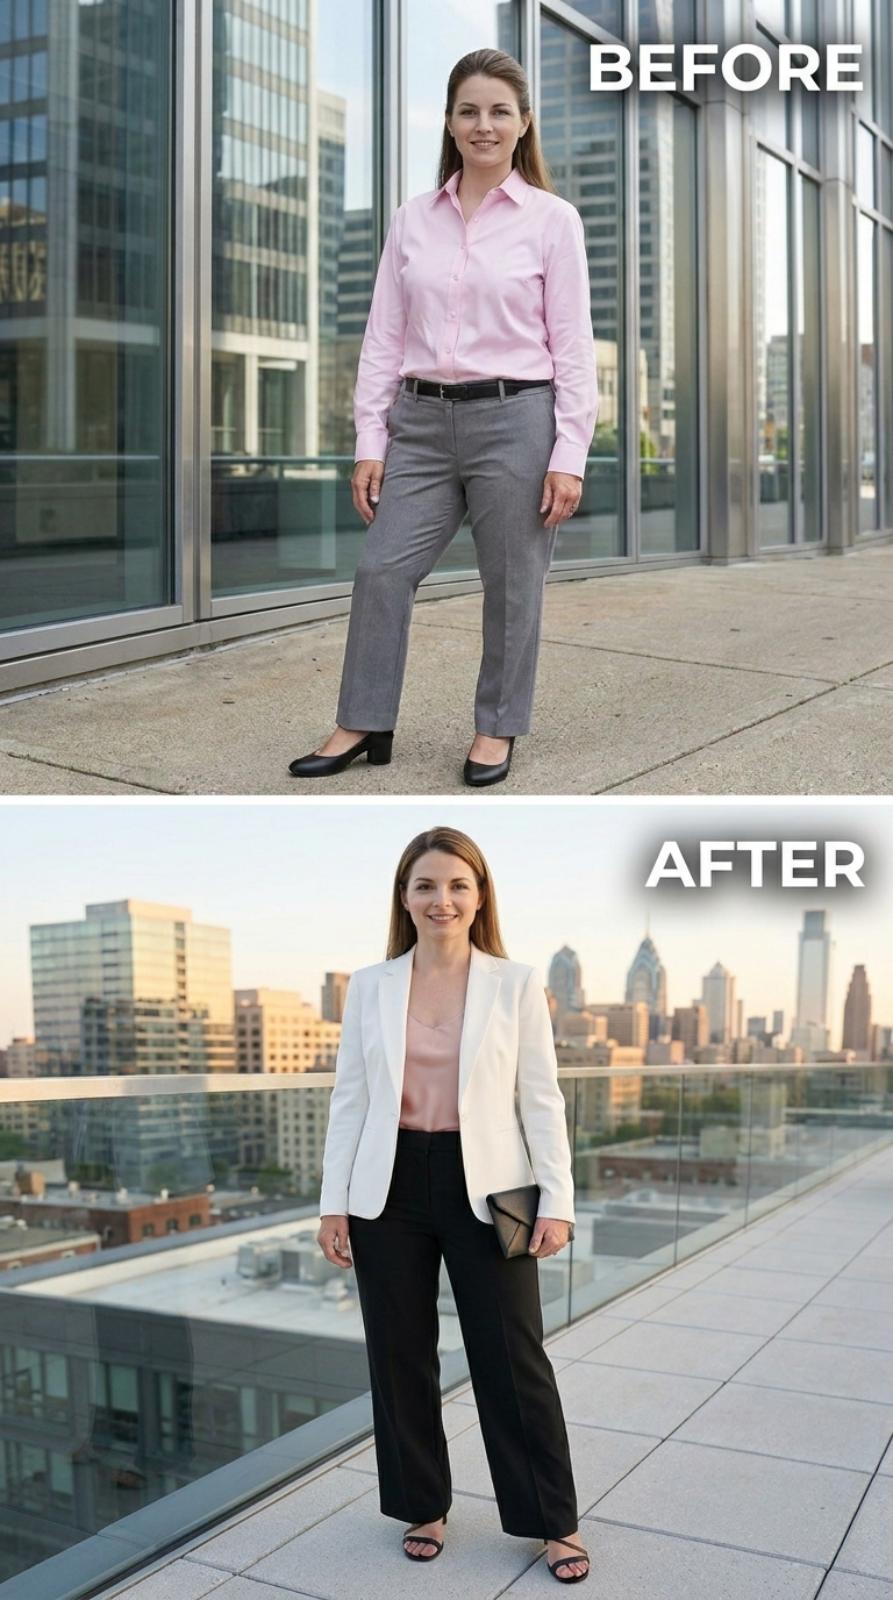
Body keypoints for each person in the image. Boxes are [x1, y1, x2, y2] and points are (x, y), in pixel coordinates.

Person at [289, 47, 598, 789]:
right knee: (380, 571)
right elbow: (382, 340)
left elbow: (573, 347)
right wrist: (371, 440)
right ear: (450, 124)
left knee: (512, 584)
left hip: (515, 417)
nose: (482, 124)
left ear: (522, 124)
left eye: (498, 111)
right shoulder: (411, 220)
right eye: (468, 111)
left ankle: (496, 728)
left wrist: (569, 452)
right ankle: (362, 721)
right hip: (420, 422)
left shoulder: (552, 221)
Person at [316, 826, 590, 1584]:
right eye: (426, 886)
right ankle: (422, 1506)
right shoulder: (369, 985)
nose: (442, 900)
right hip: (389, 1185)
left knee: (513, 1357)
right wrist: (332, 1204)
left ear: (479, 896)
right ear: (404, 898)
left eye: (457, 886)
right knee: (398, 1355)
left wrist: (555, 1201)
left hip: (493, 1186)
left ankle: (551, 1522)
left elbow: (541, 1100)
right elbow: (350, 1100)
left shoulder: (515, 982)